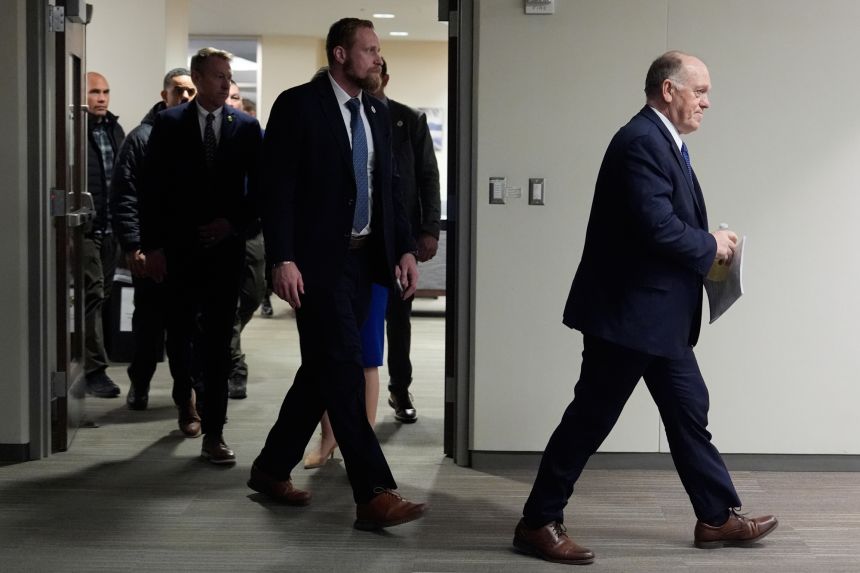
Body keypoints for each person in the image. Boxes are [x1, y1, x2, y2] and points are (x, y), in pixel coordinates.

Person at [512, 51, 778, 565]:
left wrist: (706, 245)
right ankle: (537, 522)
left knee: (688, 412)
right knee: (590, 420)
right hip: (627, 320)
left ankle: (716, 518)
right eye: (699, 90)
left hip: (659, 321)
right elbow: (655, 226)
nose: (707, 101)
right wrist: (711, 244)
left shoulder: (665, 143)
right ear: (667, 90)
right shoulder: (639, 142)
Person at [250, 18, 426, 530]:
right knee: (346, 367)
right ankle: (374, 493)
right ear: (340, 55)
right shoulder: (298, 105)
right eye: (369, 50)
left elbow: (390, 187)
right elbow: (276, 188)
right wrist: (282, 257)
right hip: (313, 264)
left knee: (320, 372)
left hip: (363, 261)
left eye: (378, 51)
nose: (377, 59)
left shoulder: (378, 111)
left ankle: (269, 468)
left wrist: (405, 250)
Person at [140, 48, 262, 463]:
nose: (226, 84)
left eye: (228, 77)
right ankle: (183, 397)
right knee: (180, 333)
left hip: (225, 251)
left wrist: (233, 225)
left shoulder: (245, 126)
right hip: (179, 249)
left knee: (217, 340)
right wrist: (151, 247)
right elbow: (152, 189)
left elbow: (258, 191)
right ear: (197, 77)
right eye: (217, 76)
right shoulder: (169, 123)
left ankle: (215, 431)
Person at [111, 68, 197, 414]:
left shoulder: (198, 133)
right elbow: (125, 195)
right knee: (148, 324)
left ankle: (184, 397)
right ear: (166, 96)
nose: (186, 97)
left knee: (184, 330)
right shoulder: (141, 138)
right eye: (179, 91)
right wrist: (133, 246)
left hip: (188, 252)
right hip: (150, 249)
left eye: (191, 90)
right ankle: (141, 382)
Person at [370, 57, 442, 423]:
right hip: (362, 238)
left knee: (399, 318)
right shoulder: (350, 116)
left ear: (386, 76)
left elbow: (428, 176)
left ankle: (400, 388)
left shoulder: (408, 119)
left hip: (400, 238)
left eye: (377, 68)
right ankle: (354, 396)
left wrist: (429, 230)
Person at [83, 72, 125, 398]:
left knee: (103, 295)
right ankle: (95, 371)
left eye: (105, 92)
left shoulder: (114, 128)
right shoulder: (72, 129)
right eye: (95, 92)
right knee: (93, 294)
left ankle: (90, 362)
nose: (101, 98)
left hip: (112, 229)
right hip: (85, 227)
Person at [224, 80, 266, 400]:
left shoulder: (253, 132)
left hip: (251, 229)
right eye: (227, 96)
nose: (232, 101)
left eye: (236, 97)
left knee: (252, 295)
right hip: (216, 233)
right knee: (225, 302)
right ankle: (235, 364)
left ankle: (223, 337)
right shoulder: (204, 134)